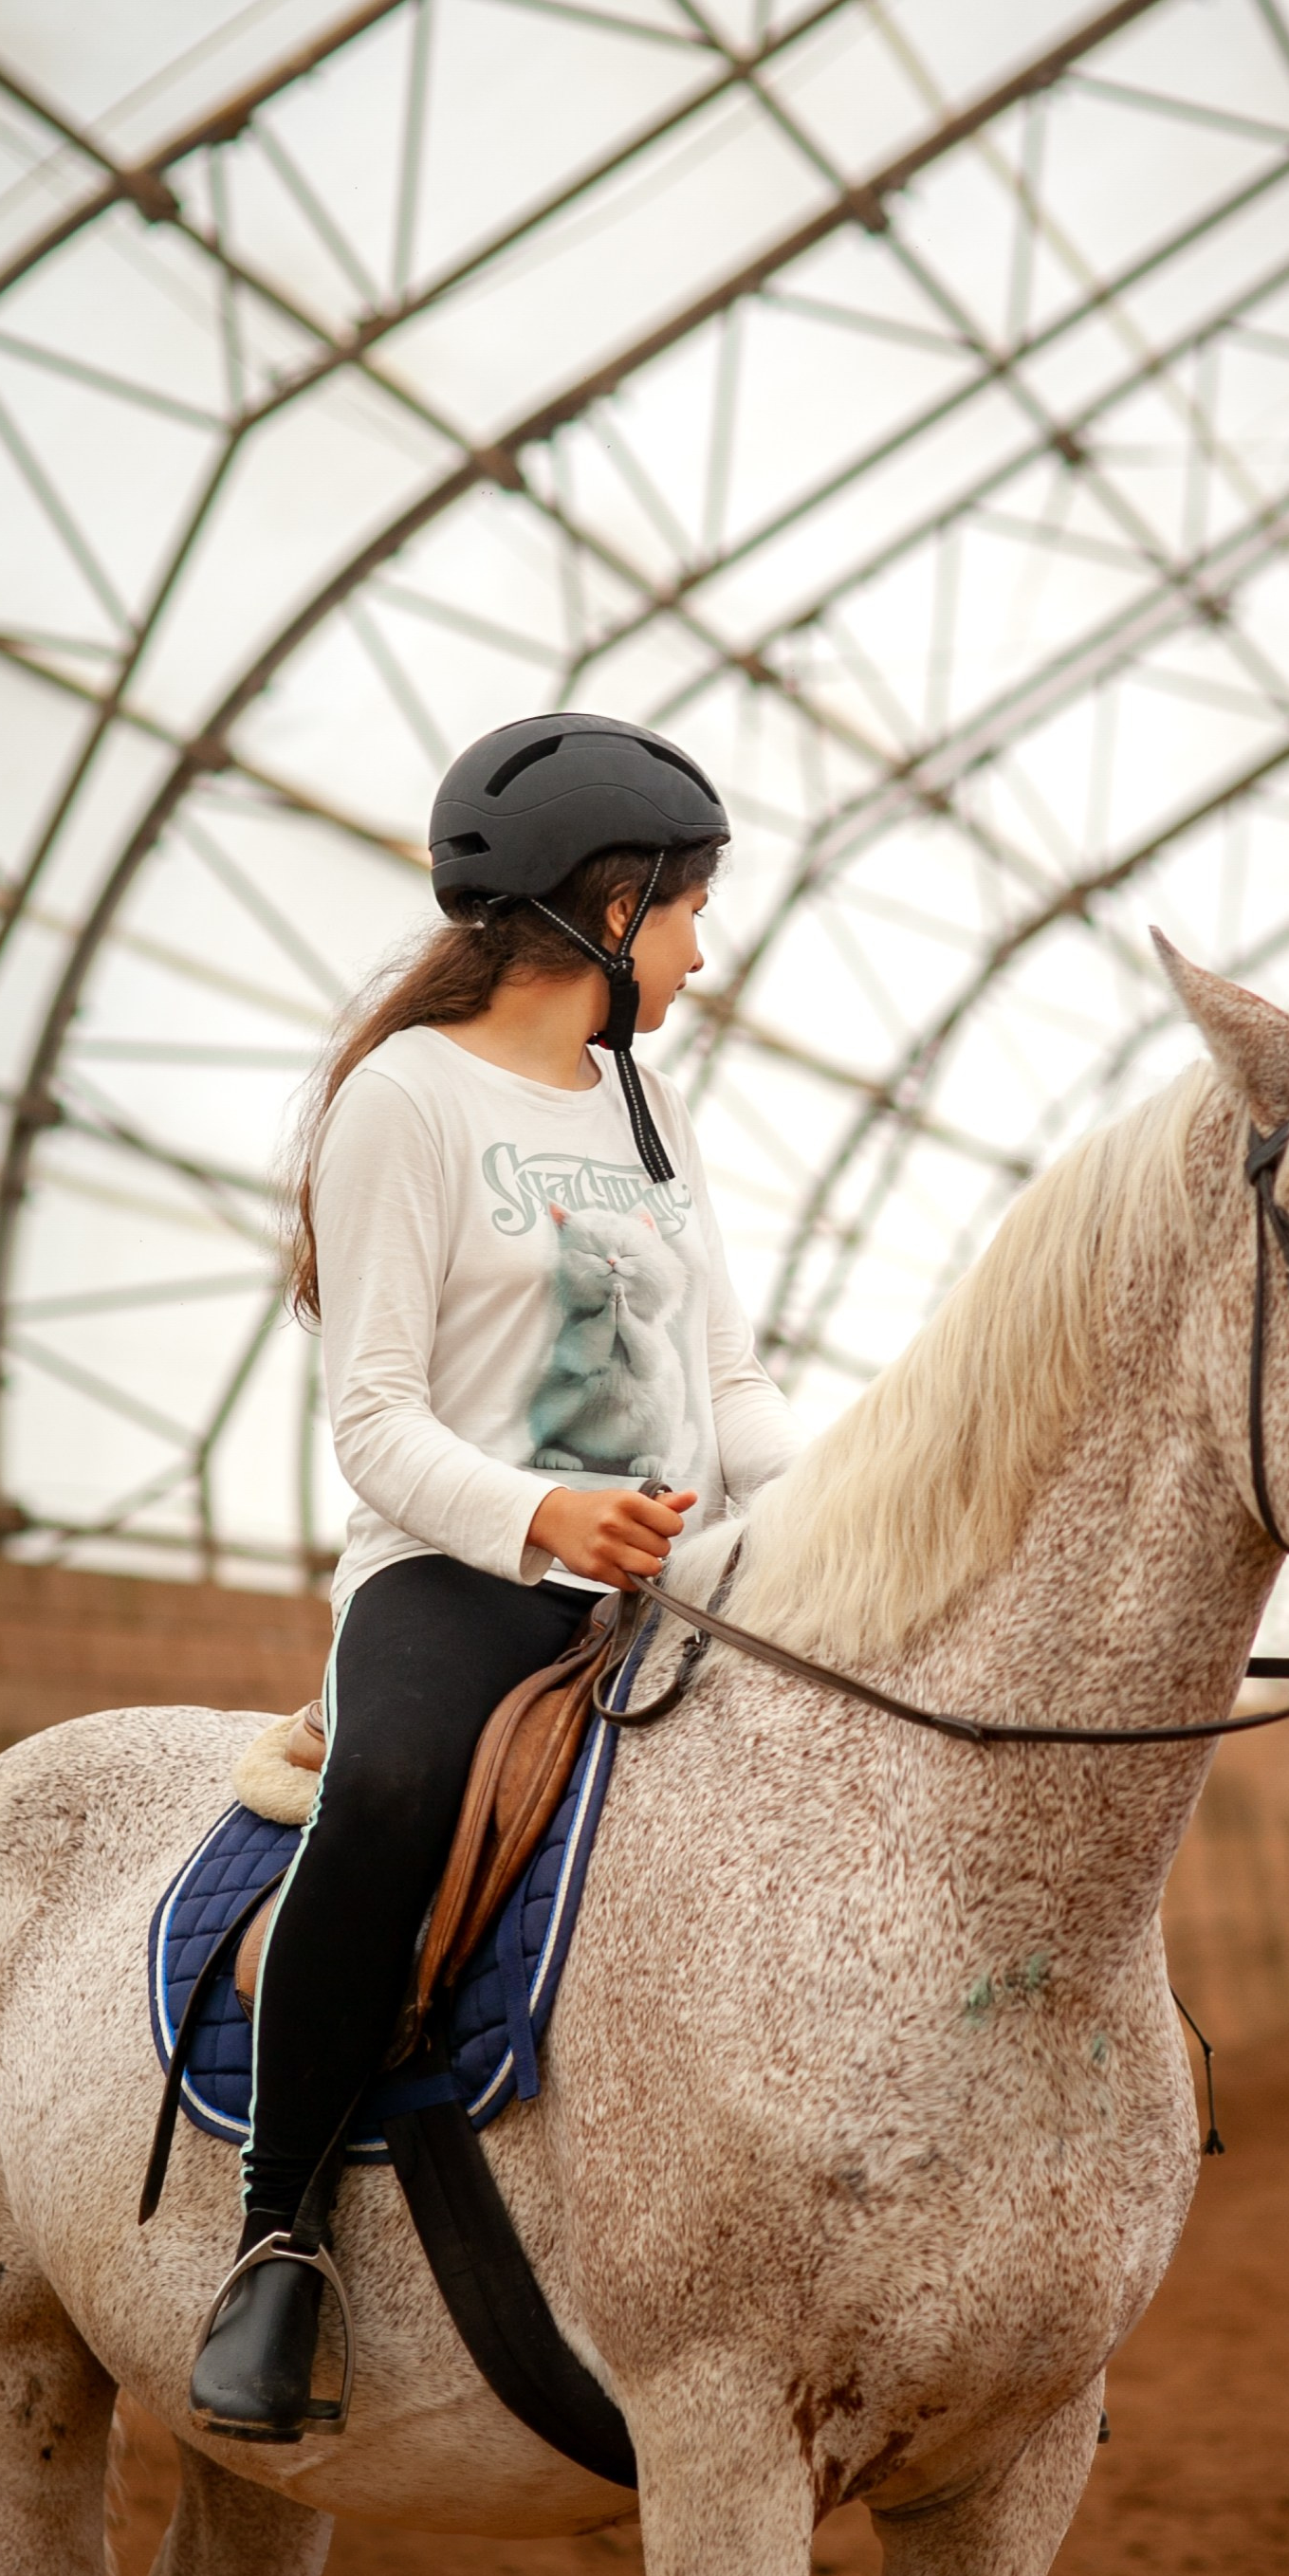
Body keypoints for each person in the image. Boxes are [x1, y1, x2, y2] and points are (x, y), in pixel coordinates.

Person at [190, 713, 800, 2441]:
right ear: (611, 909)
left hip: (674, 1563)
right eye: (686, 910)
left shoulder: (641, 1095)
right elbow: (373, 1423)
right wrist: (541, 1520)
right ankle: (277, 2240)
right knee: (386, 1794)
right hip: (460, 1571)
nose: (699, 945)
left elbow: (728, 1385)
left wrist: (847, 1520)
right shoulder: (406, 1101)